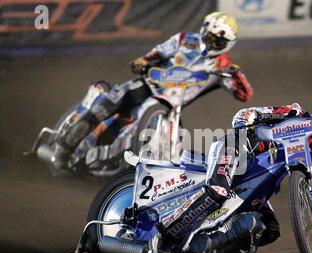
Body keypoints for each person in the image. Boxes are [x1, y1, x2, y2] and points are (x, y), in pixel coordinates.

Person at [149, 92, 312, 253]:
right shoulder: (296, 114)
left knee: (268, 229)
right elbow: (252, 113)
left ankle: (204, 249)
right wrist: (249, 119)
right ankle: (163, 239)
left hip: (253, 178)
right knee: (218, 190)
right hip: (236, 146)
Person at [52, 12, 253, 169]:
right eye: (209, 37)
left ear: (227, 45)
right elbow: (159, 51)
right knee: (108, 105)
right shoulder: (185, 39)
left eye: (218, 41)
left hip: (170, 105)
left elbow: (243, 94)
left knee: (162, 141)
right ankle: (63, 150)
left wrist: (234, 75)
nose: (212, 43)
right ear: (204, 30)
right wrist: (143, 61)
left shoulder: (222, 65)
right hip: (148, 84)